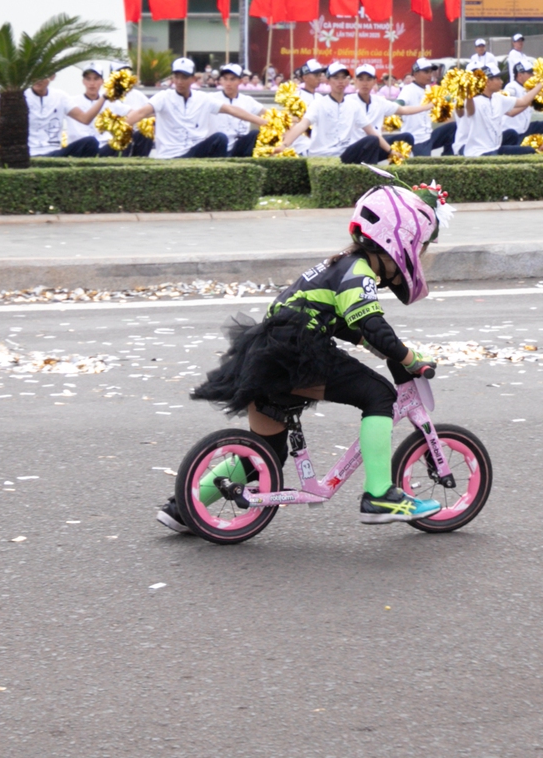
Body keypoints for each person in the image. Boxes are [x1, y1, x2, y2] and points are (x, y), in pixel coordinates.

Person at [166, 183, 445, 531]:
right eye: (417, 248)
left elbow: (350, 327)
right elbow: (372, 326)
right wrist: (406, 358)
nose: (416, 258)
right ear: (396, 242)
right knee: (380, 396)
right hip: (295, 354)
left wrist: (388, 348)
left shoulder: (339, 266)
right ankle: (380, 495)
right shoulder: (358, 273)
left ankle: (184, 508)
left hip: (266, 354)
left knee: (266, 453)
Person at [129, 58, 234, 158]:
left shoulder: (202, 98)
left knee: (220, 138)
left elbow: (230, 109)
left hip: (193, 152)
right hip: (169, 155)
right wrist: (121, 127)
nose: (179, 81)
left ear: (193, 79)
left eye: (184, 77)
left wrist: (251, 118)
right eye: (176, 77)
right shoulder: (163, 97)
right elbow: (141, 112)